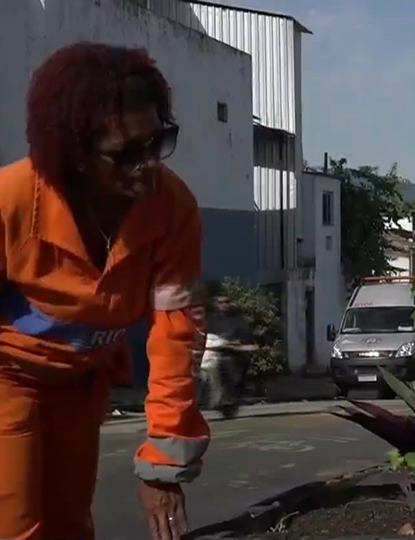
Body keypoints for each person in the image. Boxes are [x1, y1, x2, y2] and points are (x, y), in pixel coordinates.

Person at [0, 43, 209, 540]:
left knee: (70, 526)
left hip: (82, 385)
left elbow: (173, 333)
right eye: (123, 155)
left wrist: (163, 462)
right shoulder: (11, 202)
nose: (145, 168)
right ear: (72, 151)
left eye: (156, 143)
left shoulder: (173, 209)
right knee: (16, 527)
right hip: (8, 378)